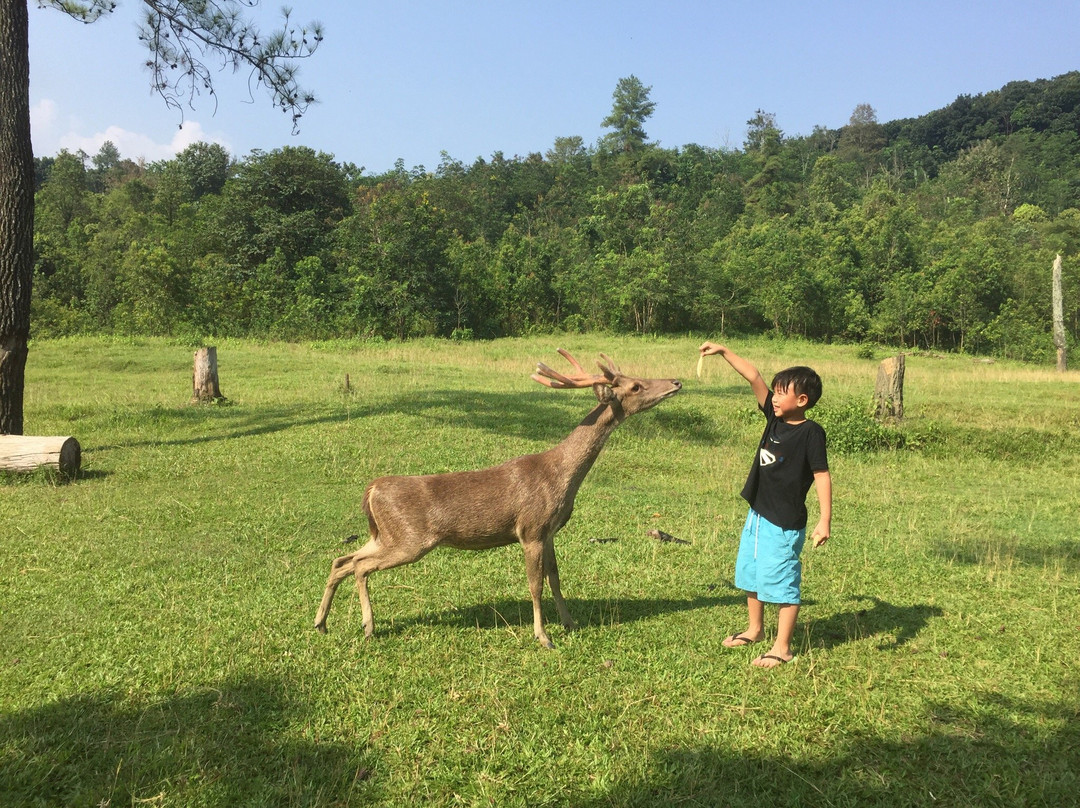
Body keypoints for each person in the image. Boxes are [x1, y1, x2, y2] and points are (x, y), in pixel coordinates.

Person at [699, 342, 832, 669]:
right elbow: (753, 376)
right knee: (752, 573)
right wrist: (723, 351)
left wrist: (824, 520)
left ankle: (783, 648)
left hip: (784, 522)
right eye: (773, 392)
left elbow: (822, 475)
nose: (772, 397)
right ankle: (755, 630)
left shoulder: (812, 434)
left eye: (780, 393)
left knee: (783, 581)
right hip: (757, 514)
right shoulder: (773, 420)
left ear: (802, 401)